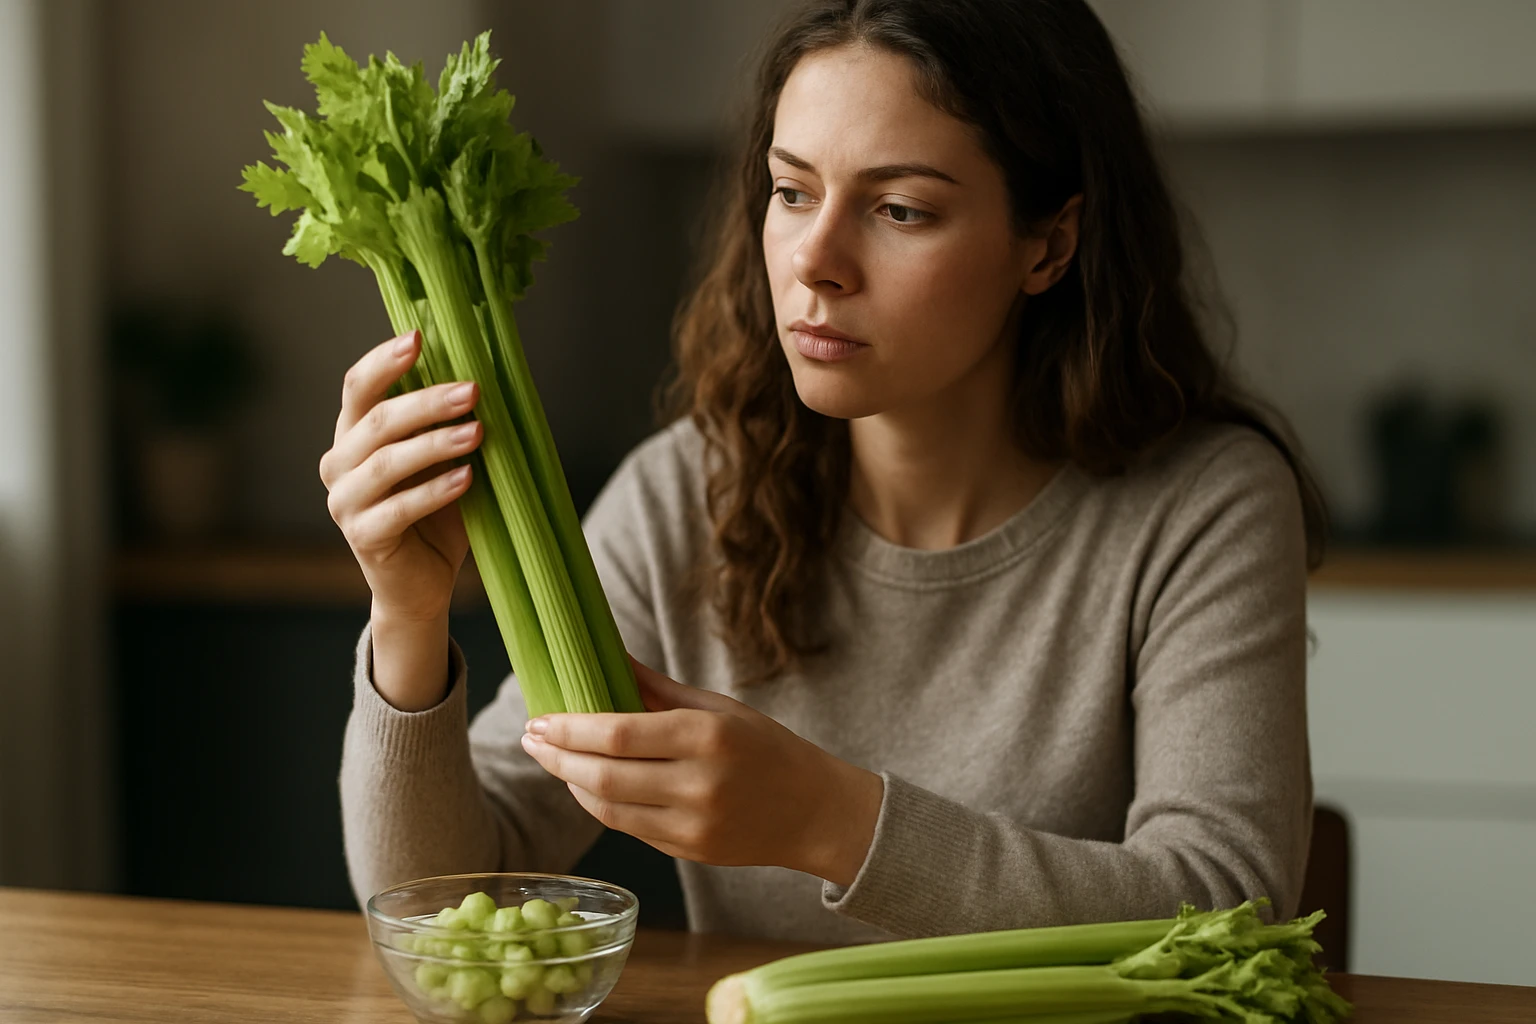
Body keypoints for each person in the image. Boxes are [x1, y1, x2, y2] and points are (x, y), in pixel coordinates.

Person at [325, 0, 1328, 944]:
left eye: (898, 209)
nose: (816, 261)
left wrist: (830, 819)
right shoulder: (686, 497)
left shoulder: (1204, 505)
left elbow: (1226, 902)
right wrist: (407, 621)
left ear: (1049, 243)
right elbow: (442, 894)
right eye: (793, 192)